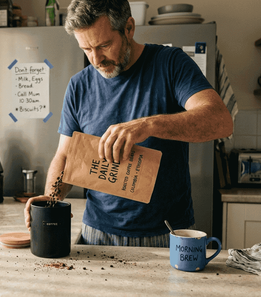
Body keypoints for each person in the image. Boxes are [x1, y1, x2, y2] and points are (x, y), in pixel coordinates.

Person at [24, 0, 233, 247]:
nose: (96, 59)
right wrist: (52, 197)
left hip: (165, 234)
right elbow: (66, 155)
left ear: (129, 28)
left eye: (104, 45)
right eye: (86, 49)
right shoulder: (79, 86)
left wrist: (147, 125)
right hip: (96, 234)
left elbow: (220, 121)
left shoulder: (170, 64)